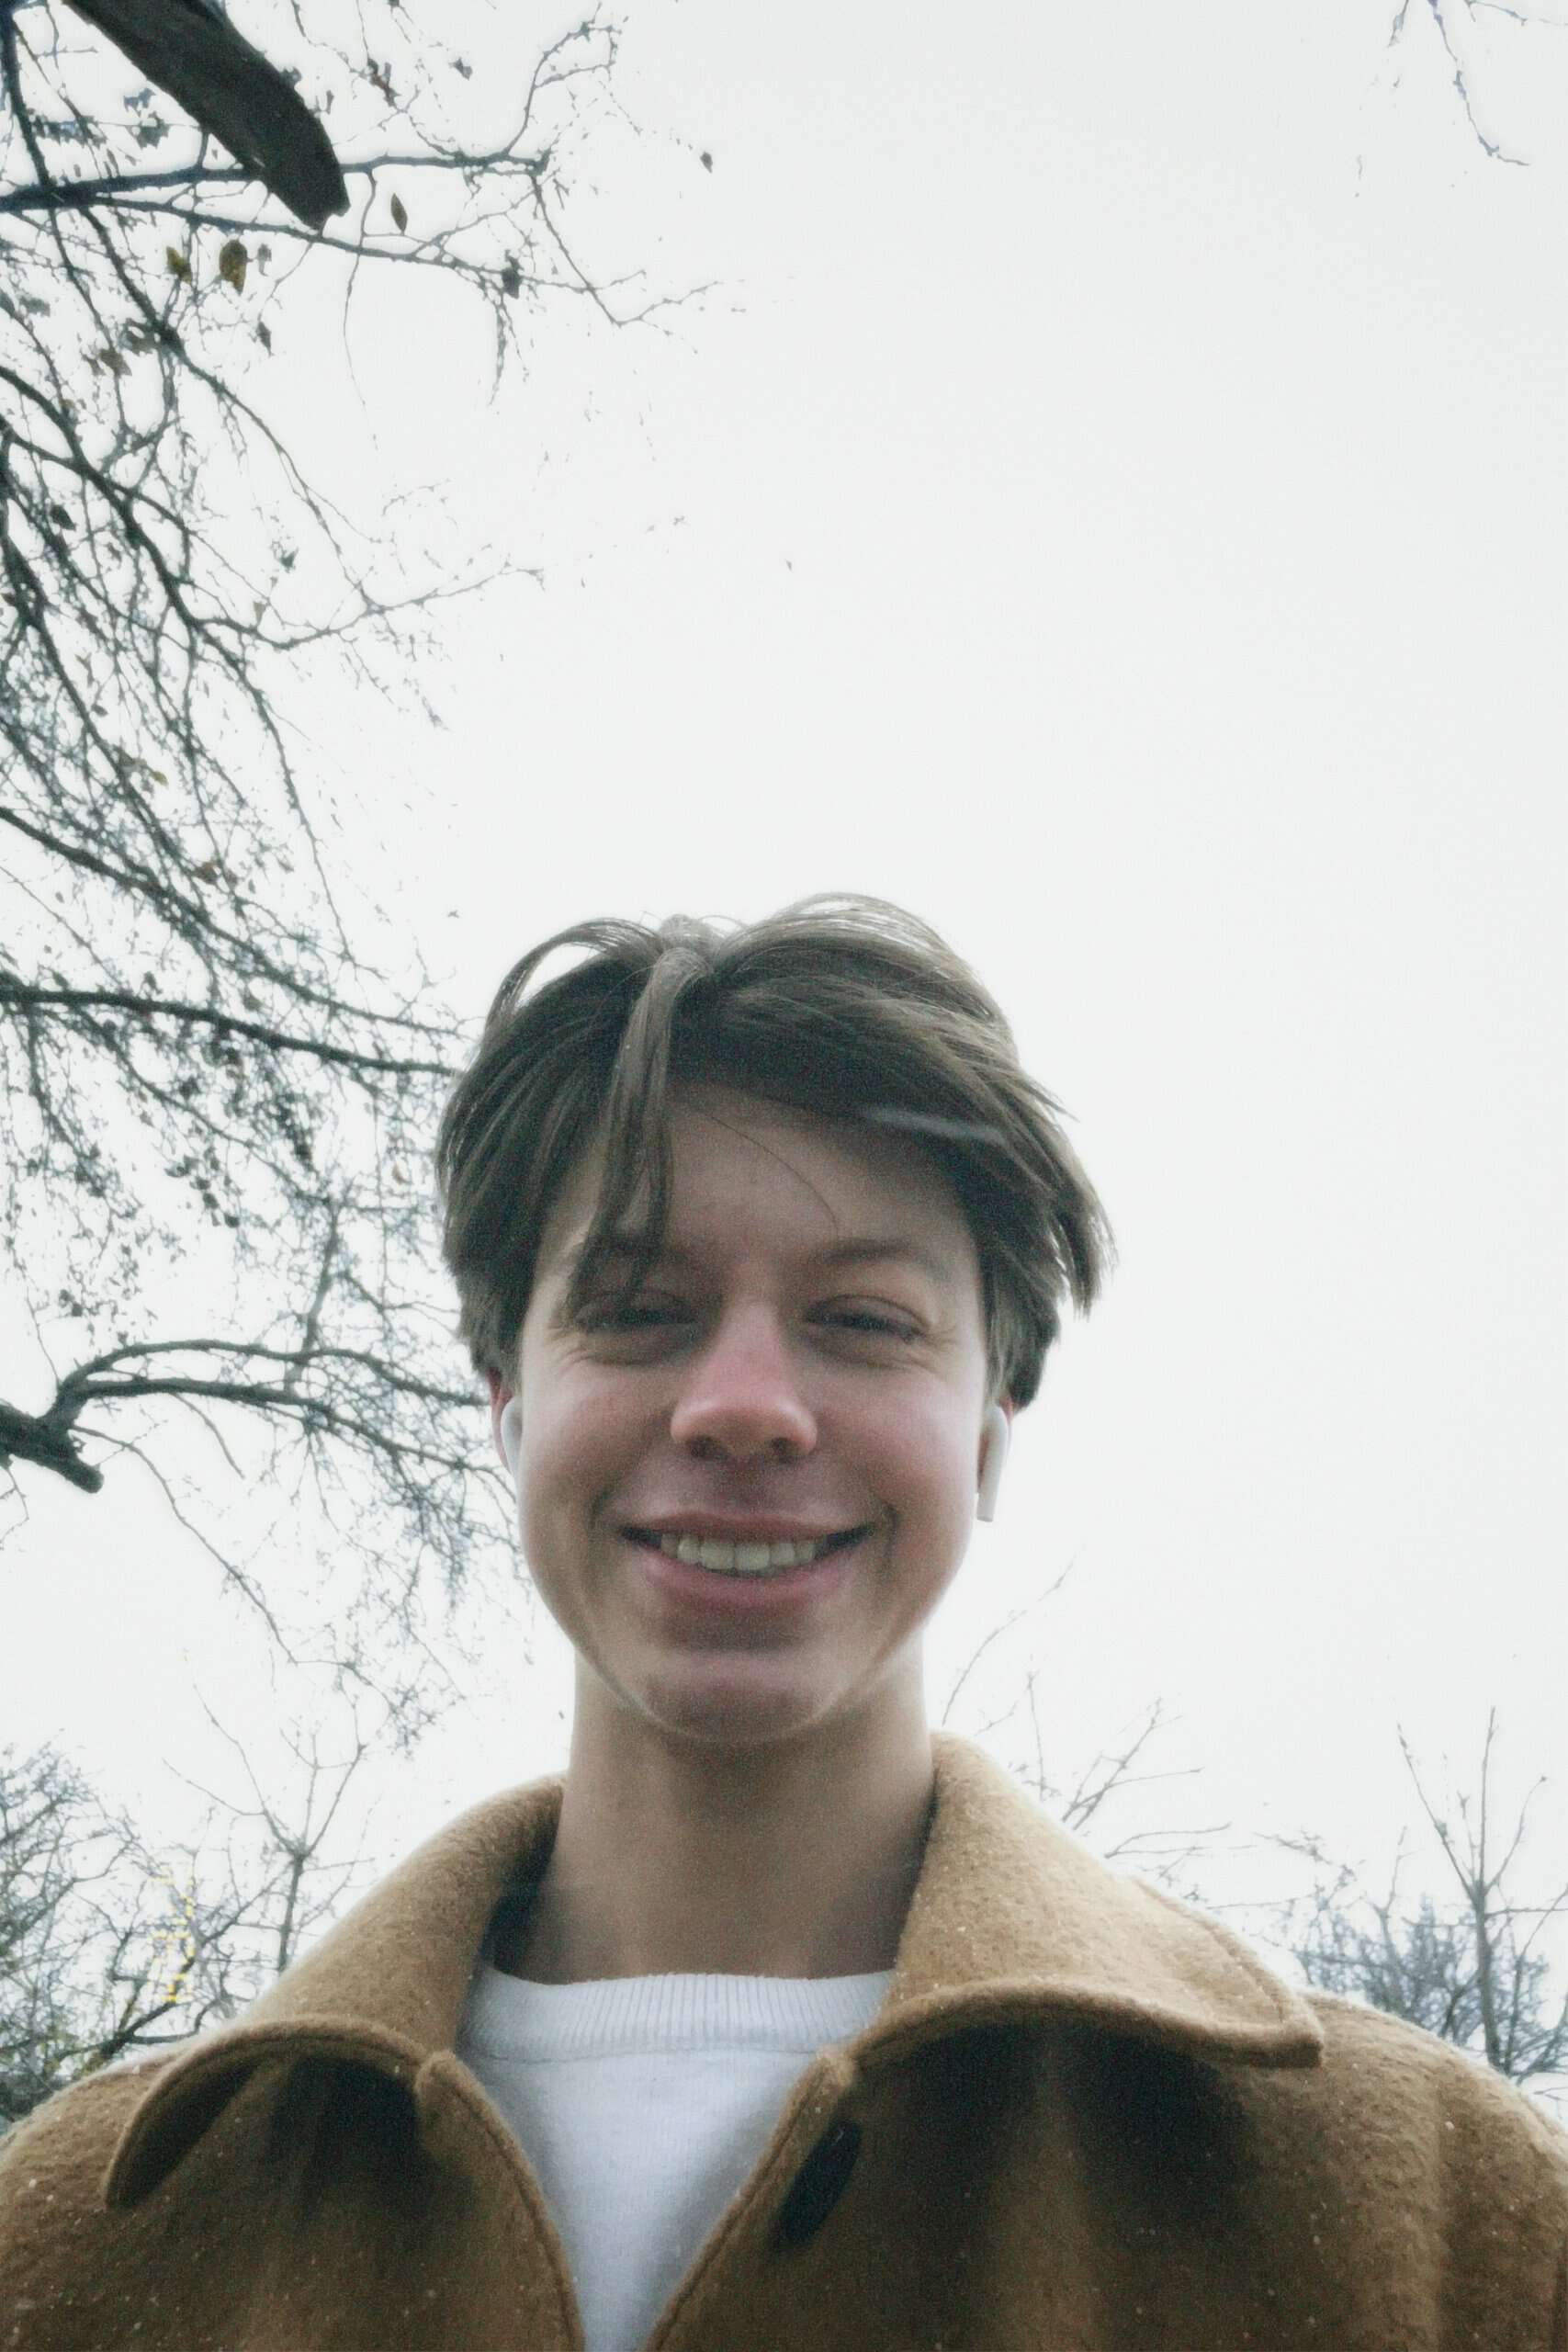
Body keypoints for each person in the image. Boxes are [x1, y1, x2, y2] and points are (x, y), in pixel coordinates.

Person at [2, 893, 1564, 2350]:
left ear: (992, 1425)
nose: (745, 1407)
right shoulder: (70, 2246)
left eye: (863, 1323)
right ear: (506, 1399)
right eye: (637, 1308)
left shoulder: (1450, 2224)